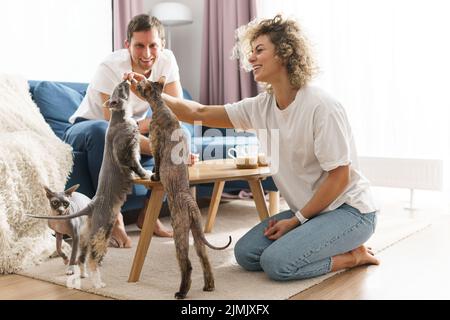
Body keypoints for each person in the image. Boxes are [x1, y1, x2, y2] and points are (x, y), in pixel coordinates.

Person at [126, 14, 380, 280]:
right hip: (312, 211)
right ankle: (316, 237)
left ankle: (354, 255)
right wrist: (152, 94)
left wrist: (296, 221)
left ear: (284, 53)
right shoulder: (262, 106)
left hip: (350, 211)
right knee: (246, 253)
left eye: (260, 51)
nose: (250, 59)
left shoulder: (321, 106)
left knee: (277, 264)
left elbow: (339, 176)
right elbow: (199, 110)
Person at [65, 14, 179, 247]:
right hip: (87, 128)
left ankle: (149, 215)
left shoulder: (167, 60)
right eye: (139, 46)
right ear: (128, 45)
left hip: (130, 128)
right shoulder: (110, 67)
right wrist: (157, 145)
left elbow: (174, 110)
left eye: (152, 46)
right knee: (104, 132)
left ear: (162, 45)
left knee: (180, 135)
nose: (146, 54)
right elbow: (114, 125)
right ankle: (112, 220)